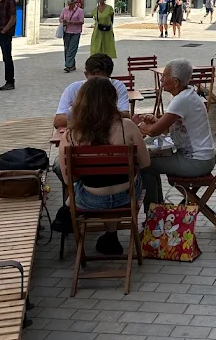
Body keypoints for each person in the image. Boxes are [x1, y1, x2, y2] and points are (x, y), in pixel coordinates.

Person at [59, 77, 150, 255]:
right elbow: (146, 163)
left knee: (78, 185)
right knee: (135, 176)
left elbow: (68, 178)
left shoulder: (71, 135)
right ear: (112, 100)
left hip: (91, 201)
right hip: (126, 198)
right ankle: (111, 235)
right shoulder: (127, 126)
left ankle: (67, 211)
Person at [137, 58, 216, 205]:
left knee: (144, 163)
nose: (161, 80)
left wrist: (139, 126)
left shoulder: (182, 100)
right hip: (199, 157)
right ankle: (157, 208)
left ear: (175, 82)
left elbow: (154, 132)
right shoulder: (187, 95)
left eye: (165, 76)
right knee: (148, 160)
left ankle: (153, 213)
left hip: (196, 161)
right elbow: (165, 128)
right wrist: (156, 121)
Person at [54, 53, 131, 128]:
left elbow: (125, 115)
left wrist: (84, 118)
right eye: (94, 78)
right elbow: (58, 120)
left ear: (109, 76)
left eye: (102, 80)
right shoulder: (73, 88)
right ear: (86, 74)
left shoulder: (118, 87)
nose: (97, 84)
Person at [59, 0, 85, 72]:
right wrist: (62, 21)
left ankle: (68, 65)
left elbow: (82, 21)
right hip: (66, 31)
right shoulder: (65, 10)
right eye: (68, 3)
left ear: (74, 3)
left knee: (72, 49)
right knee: (67, 48)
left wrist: (72, 22)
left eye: (71, 4)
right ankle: (72, 65)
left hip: (76, 32)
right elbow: (60, 18)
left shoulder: (79, 11)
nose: (69, 5)